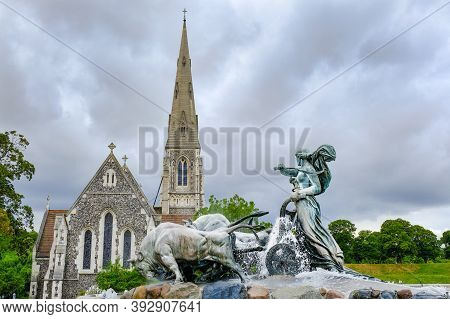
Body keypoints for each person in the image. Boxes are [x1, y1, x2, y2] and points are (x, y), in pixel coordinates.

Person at [275, 145, 344, 271]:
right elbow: (291, 171)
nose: (296, 160)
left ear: (301, 156)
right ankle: (311, 262)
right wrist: (282, 170)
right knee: (301, 233)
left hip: (306, 203)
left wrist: (301, 193)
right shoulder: (302, 169)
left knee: (310, 232)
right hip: (299, 203)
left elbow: (316, 188)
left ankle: (330, 261)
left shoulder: (309, 169)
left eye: (297, 157)